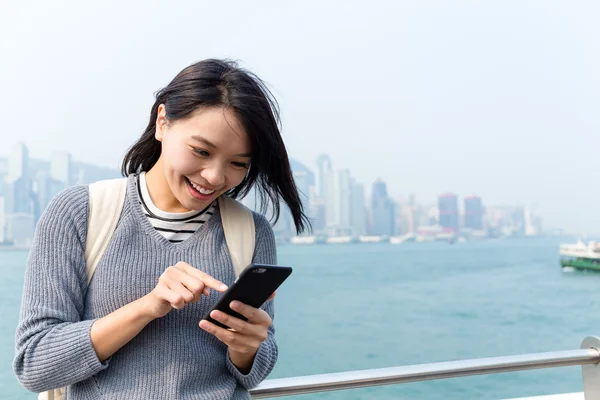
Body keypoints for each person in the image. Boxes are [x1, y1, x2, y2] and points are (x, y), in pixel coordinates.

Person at [13, 58, 310, 399]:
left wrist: (248, 346)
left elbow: (253, 373)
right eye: (201, 150)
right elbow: (35, 364)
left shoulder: (249, 231)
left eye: (237, 163)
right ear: (162, 122)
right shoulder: (79, 212)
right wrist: (148, 306)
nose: (215, 177)